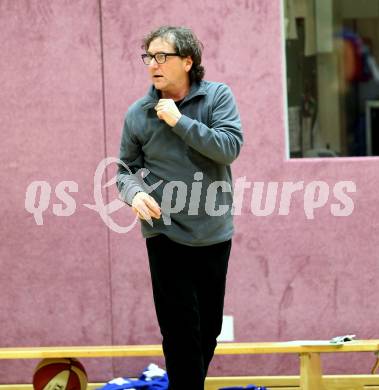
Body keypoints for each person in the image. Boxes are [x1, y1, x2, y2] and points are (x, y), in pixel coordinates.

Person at [117, 26, 243, 390]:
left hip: (213, 232)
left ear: (187, 61)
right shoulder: (138, 114)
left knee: (207, 331)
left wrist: (179, 121)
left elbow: (229, 147)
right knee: (179, 331)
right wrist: (133, 194)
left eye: (162, 56)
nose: (152, 64)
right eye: (148, 57)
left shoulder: (217, 97)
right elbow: (124, 170)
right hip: (164, 232)